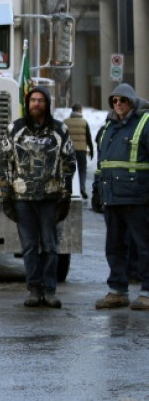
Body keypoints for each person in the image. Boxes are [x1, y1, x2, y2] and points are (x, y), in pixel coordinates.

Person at [0, 86, 75, 308]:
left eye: (41, 100)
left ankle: (50, 290)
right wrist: (6, 196)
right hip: (23, 198)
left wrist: (65, 195)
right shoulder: (15, 129)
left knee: (50, 246)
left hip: (50, 198)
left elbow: (69, 163)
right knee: (30, 247)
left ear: (47, 104)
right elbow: (4, 163)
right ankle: (34, 289)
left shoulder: (59, 130)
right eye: (33, 100)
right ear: (28, 103)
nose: (37, 104)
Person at [93, 83, 149, 310]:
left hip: (137, 198)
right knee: (114, 246)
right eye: (115, 101)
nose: (118, 105)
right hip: (112, 197)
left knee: (143, 246)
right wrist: (97, 191)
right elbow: (102, 164)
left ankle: (146, 291)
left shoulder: (144, 124)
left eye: (123, 100)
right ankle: (117, 290)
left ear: (132, 102)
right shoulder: (108, 128)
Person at [63, 103, 94, 199]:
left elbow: (62, 136)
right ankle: (82, 187)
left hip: (69, 150)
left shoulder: (65, 122)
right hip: (81, 150)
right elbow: (88, 137)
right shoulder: (84, 122)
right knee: (82, 169)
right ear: (80, 110)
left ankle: (69, 188)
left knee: (68, 170)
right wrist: (91, 149)